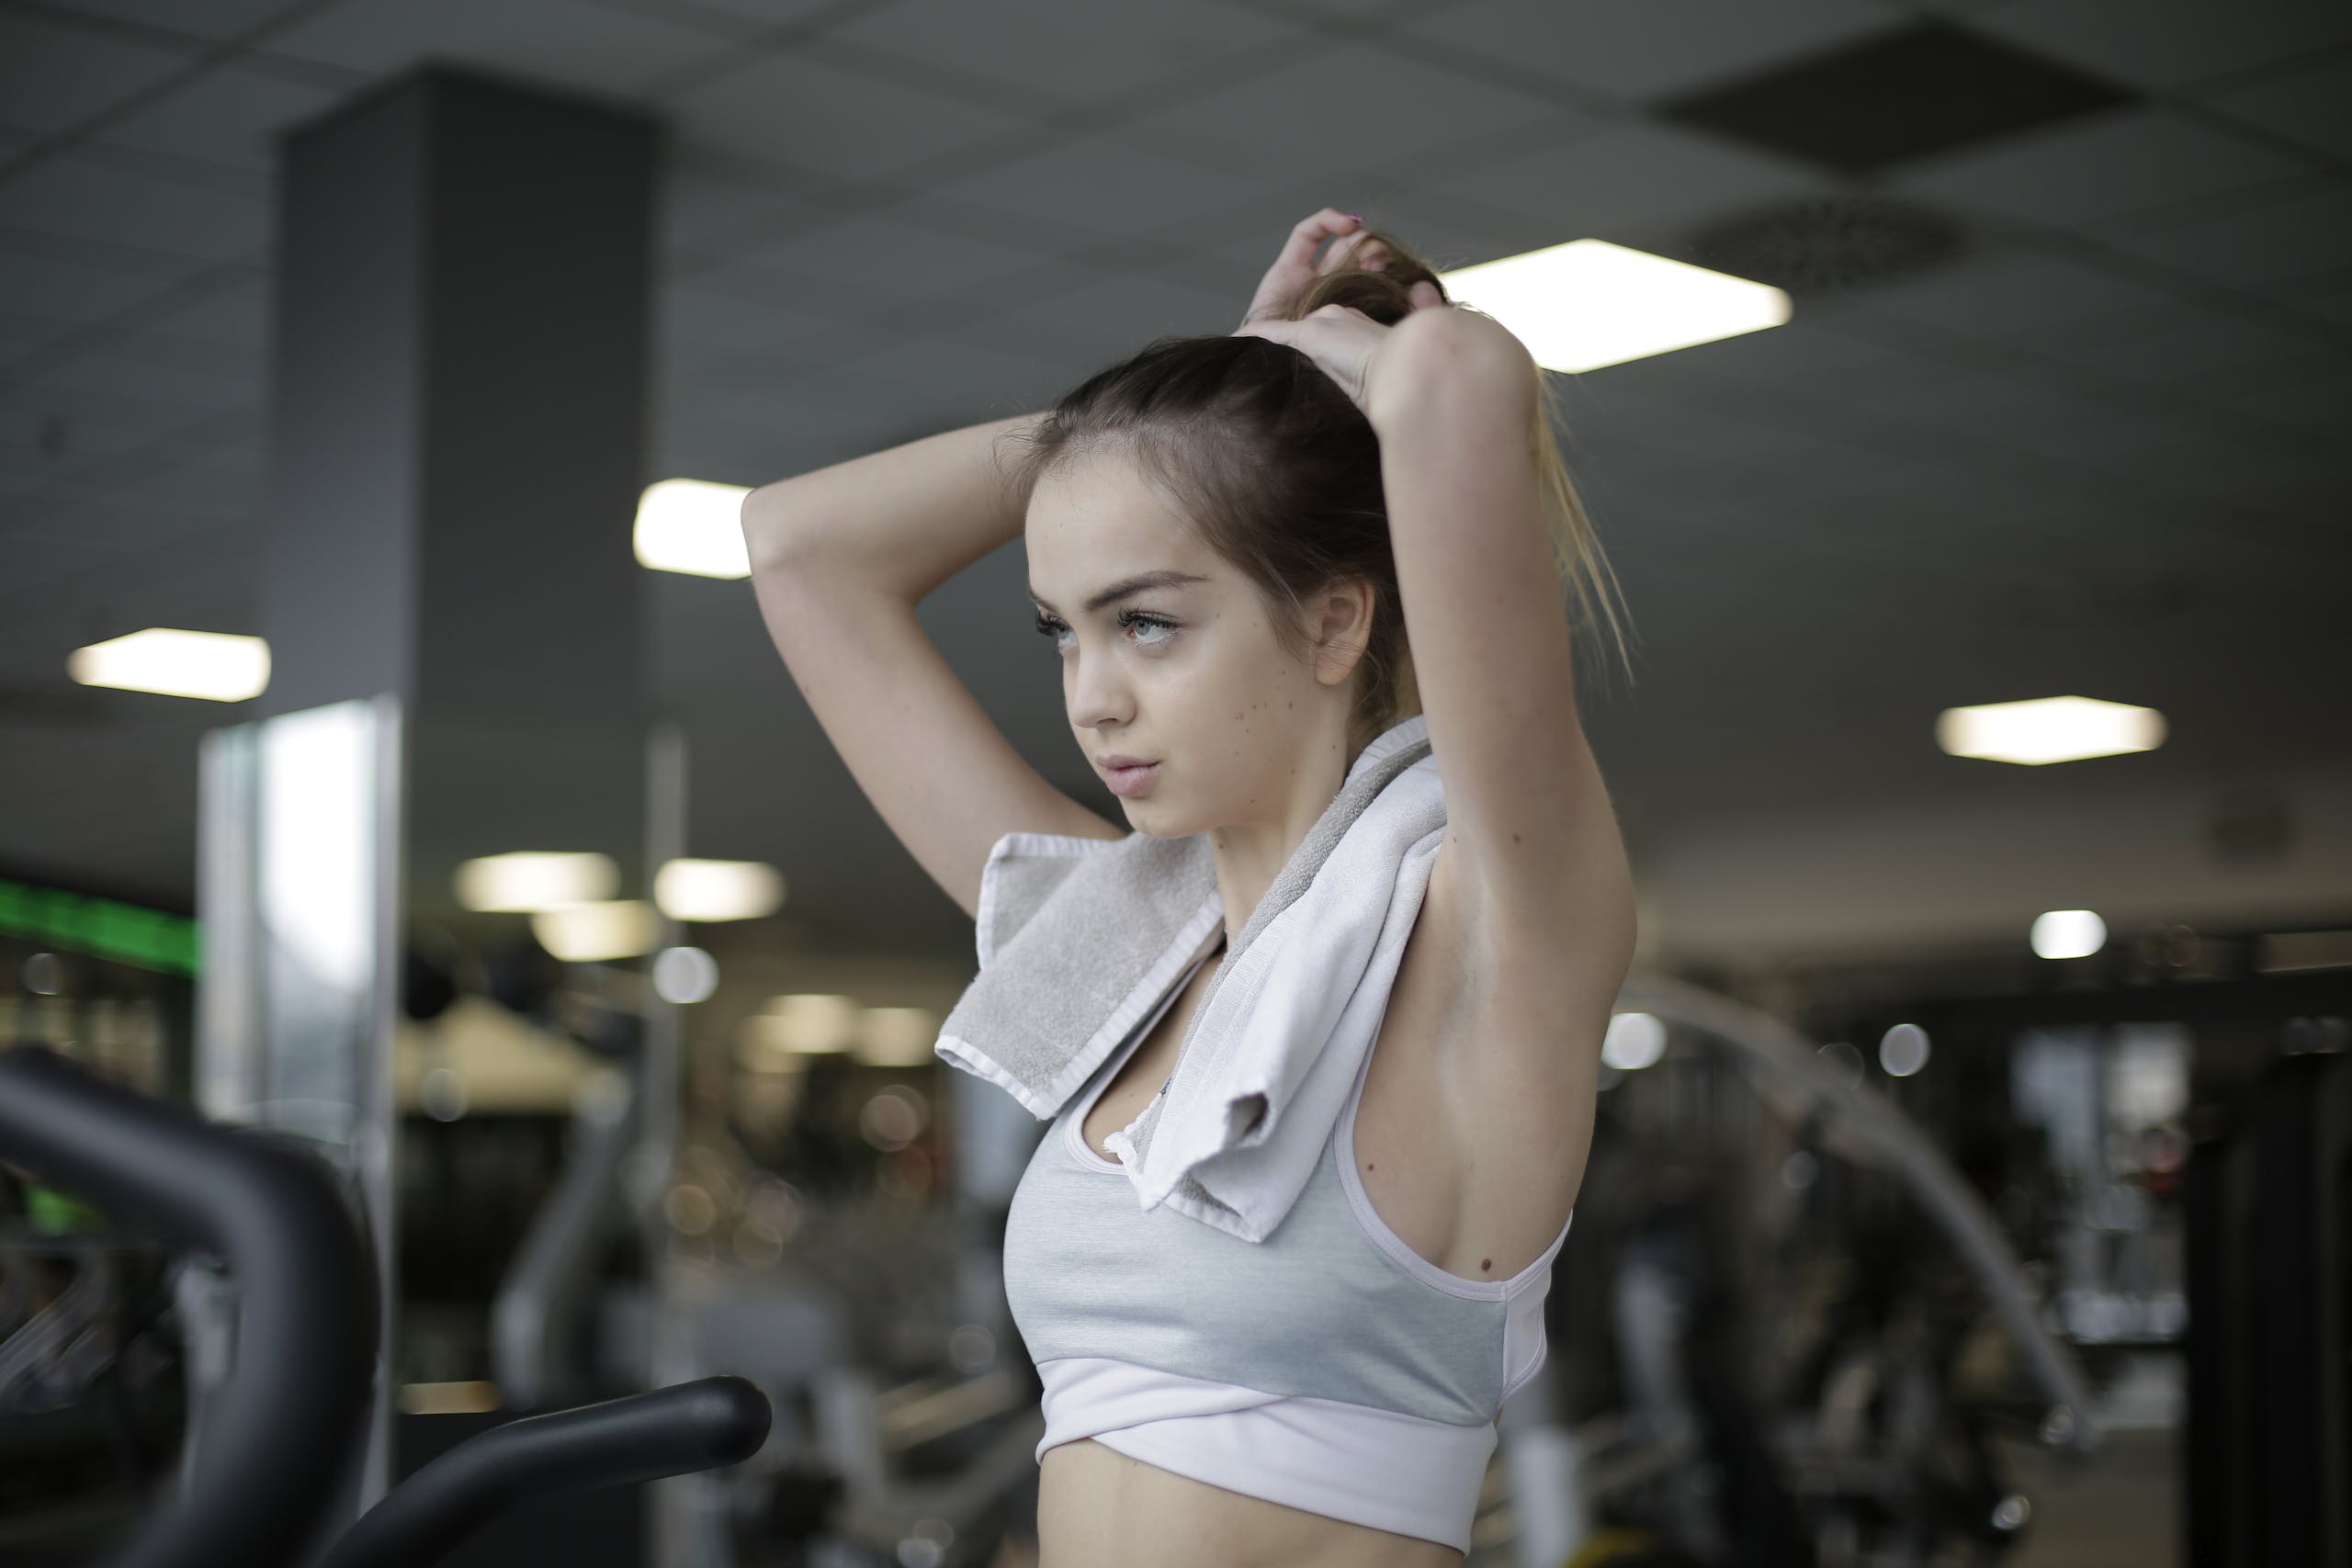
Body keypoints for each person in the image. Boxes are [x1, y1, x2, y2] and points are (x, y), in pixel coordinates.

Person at [741, 209, 1638, 1568]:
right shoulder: (1115, 943)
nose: (1092, 701)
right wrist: (1179, 425)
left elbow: (1459, 383)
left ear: (1334, 620)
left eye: (1148, 621)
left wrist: (1265, 375)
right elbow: (797, 546)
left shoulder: (1488, 937)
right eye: (1064, 632)